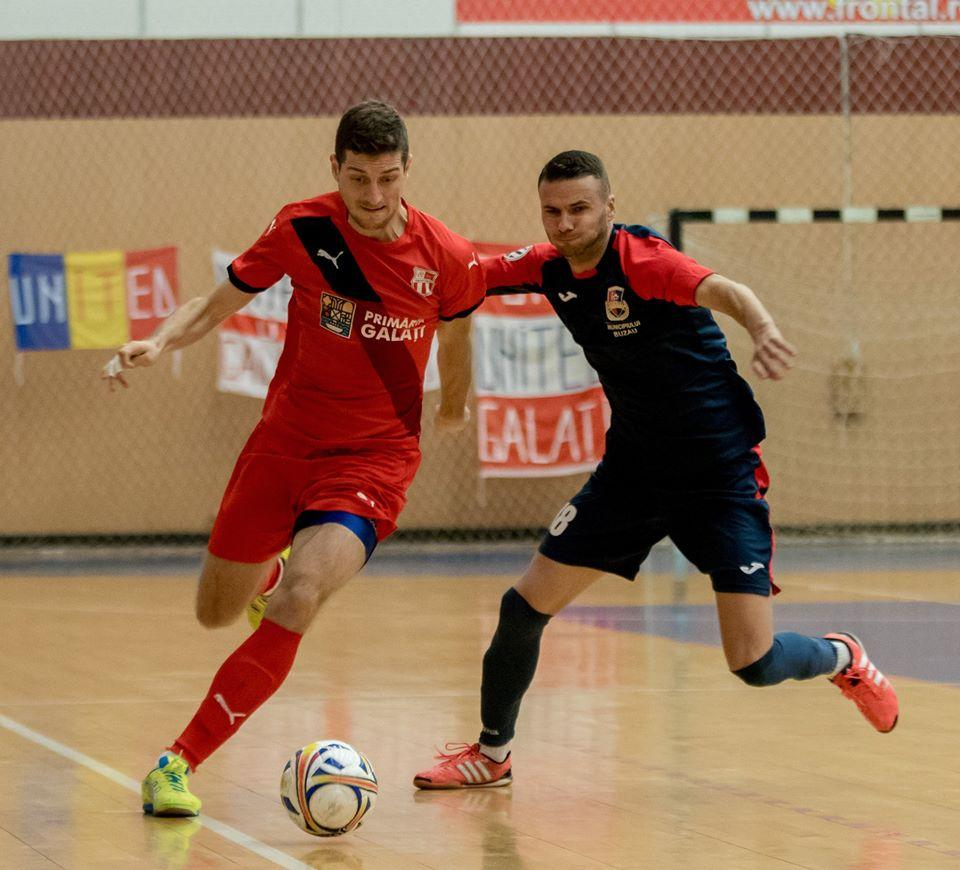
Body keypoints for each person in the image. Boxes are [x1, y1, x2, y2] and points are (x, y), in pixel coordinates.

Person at [413, 150, 899, 790]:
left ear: (609, 207)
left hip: (718, 478)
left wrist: (762, 327)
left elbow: (726, 291)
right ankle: (492, 755)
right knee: (522, 607)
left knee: (752, 662)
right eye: (552, 211)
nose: (565, 223)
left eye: (579, 208)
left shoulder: (644, 262)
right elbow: (464, 274)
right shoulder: (548, 266)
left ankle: (843, 656)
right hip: (633, 475)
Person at [101, 101, 485, 816]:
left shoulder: (447, 257)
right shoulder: (302, 228)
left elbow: (458, 335)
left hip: (374, 458)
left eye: (388, 178)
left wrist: (454, 406)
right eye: (358, 178)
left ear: (408, 169)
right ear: (334, 167)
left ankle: (175, 765)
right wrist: (159, 340)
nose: (373, 196)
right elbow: (216, 302)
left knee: (302, 595)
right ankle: (269, 573)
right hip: (282, 444)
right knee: (215, 613)